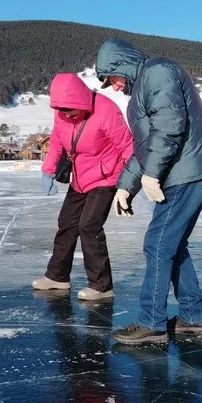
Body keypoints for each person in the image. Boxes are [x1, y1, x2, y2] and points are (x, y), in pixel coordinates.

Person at [95, 37, 202, 344]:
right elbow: (146, 146)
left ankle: (151, 322)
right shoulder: (144, 86)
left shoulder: (157, 72)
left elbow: (169, 126)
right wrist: (125, 187)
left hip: (186, 171)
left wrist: (152, 175)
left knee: (158, 244)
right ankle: (193, 317)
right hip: (184, 171)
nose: (114, 86)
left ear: (123, 65)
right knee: (173, 245)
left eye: (112, 78)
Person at [33, 72, 133, 301]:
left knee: (89, 225)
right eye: (62, 110)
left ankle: (101, 286)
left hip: (106, 177)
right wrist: (47, 172)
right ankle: (57, 277)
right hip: (79, 178)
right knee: (67, 223)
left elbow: (127, 146)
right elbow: (57, 142)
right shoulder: (62, 112)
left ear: (80, 101)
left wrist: (131, 183)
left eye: (70, 110)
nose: (66, 114)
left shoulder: (106, 110)